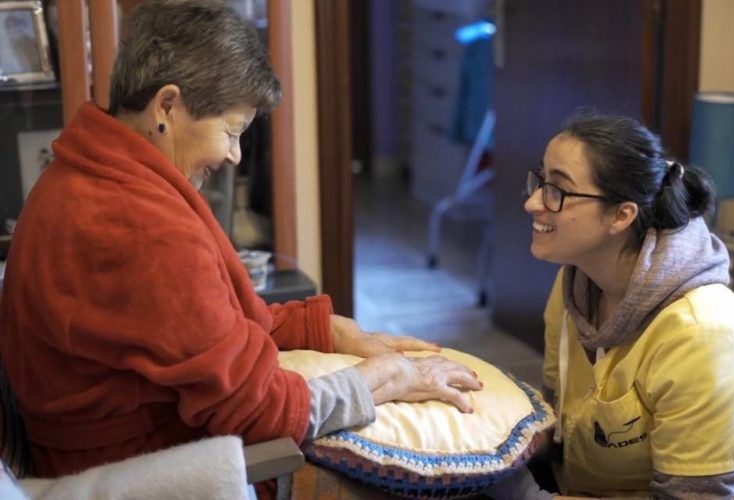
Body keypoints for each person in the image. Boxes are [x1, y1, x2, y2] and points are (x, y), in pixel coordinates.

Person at [0, 0, 480, 485]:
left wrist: (329, 330)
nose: (233, 155)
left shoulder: (82, 175)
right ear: (167, 105)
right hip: (140, 476)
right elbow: (261, 414)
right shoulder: (142, 228)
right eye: (231, 131)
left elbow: (204, 326)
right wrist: (392, 377)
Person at [523, 114, 734, 497]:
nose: (533, 202)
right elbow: (557, 428)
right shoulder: (575, 284)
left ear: (622, 215)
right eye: (540, 181)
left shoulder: (704, 333)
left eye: (558, 189)